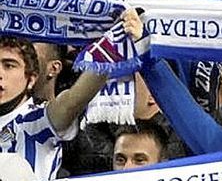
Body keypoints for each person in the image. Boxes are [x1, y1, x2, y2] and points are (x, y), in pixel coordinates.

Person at [0, 10, 140, 180]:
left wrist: (116, 41)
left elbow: (73, 100)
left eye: (9, 65)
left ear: (31, 79)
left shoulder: (35, 121)